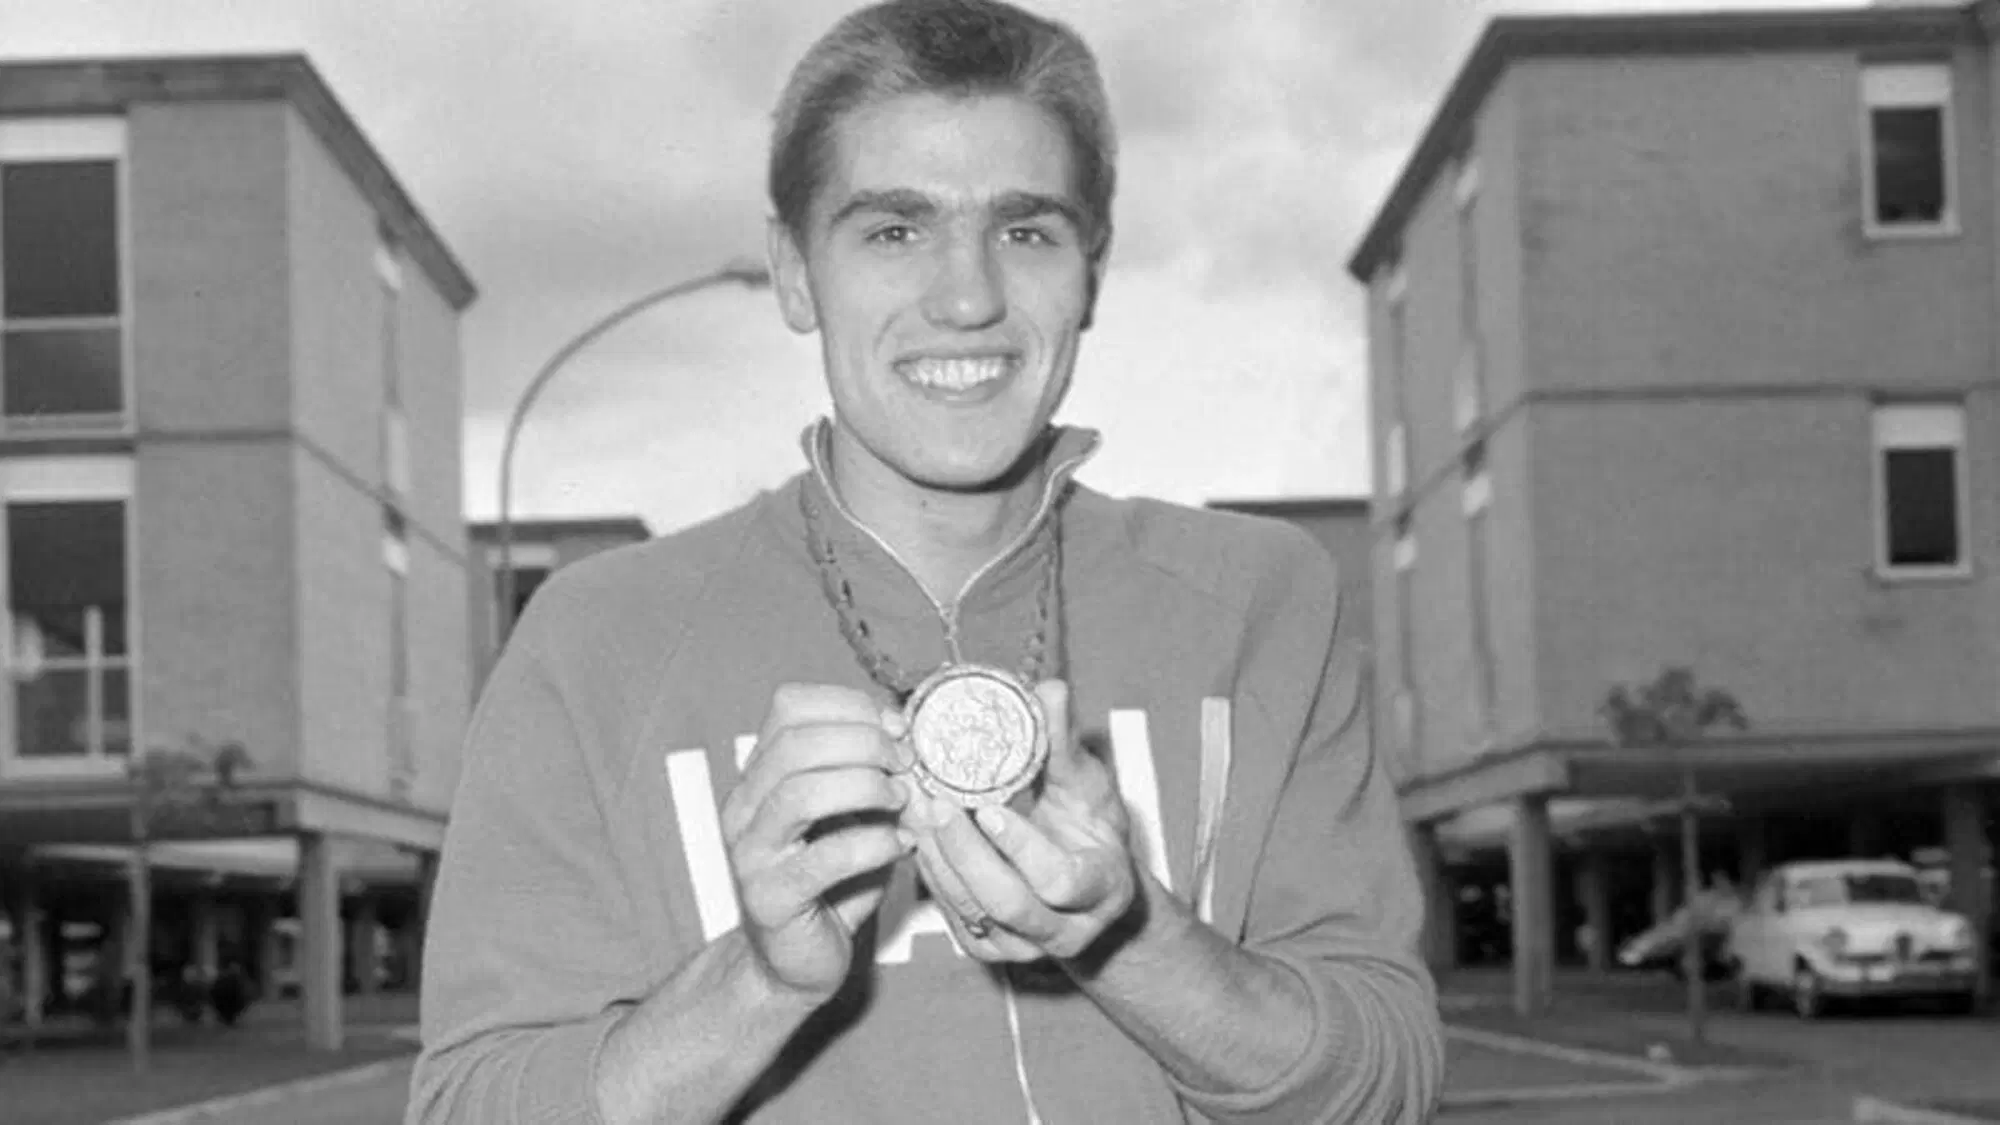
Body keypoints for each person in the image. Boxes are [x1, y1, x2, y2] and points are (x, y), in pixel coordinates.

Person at [407, 1, 1444, 1121]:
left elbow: (1382, 1081)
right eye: (893, 231)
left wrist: (1131, 939)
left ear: (1089, 269)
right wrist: (756, 983)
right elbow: (468, 1105)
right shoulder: (596, 638)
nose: (967, 298)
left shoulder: (1260, 602)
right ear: (796, 272)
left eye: (1025, 229)